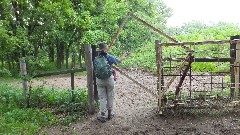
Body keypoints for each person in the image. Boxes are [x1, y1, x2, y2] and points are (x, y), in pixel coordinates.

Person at [94, 42, 130, 123]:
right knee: (110, 95)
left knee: (102, 97)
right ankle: (110, 114)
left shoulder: (96, 59)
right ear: (105, 49)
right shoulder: (109, 57)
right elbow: (119, 61)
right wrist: (124, 54)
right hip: (109, 79)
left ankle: (102, 115)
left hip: (99, 80)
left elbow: (95, 69)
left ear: (99, 50)